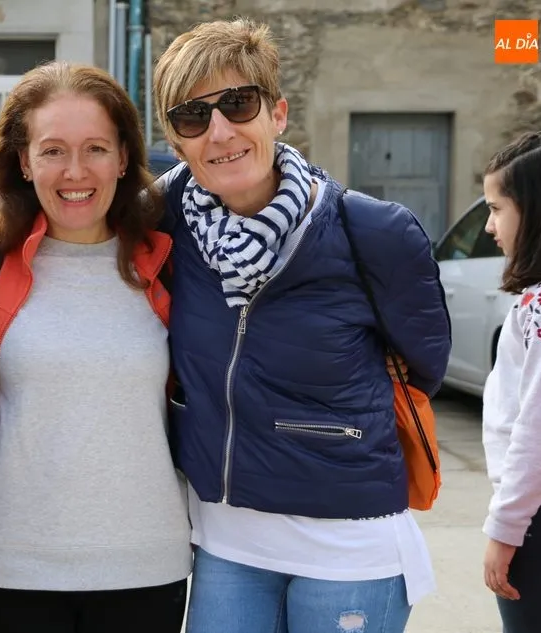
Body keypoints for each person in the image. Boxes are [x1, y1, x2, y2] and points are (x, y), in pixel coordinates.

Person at [150, 17, 451, 633]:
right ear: (177, 142)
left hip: (349, 546)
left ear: (278, 114)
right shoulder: (165, 218)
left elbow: (424, 365)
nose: (220, 131)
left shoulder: (375, 231)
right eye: (192, 116)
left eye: (238, 104)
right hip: (227, 543)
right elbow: (73, 212)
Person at [0, 61, 192, 633]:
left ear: (124, 157)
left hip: (144, 567)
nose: (75, 171)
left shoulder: (170, 262)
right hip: (4, 568)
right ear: (24, 161)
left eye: (96, 149)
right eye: (53, 150)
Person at [480, 130, 541, 633]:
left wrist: (505, 530)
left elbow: (540, 430)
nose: (489, 226)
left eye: (496, 209)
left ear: (536, 212)